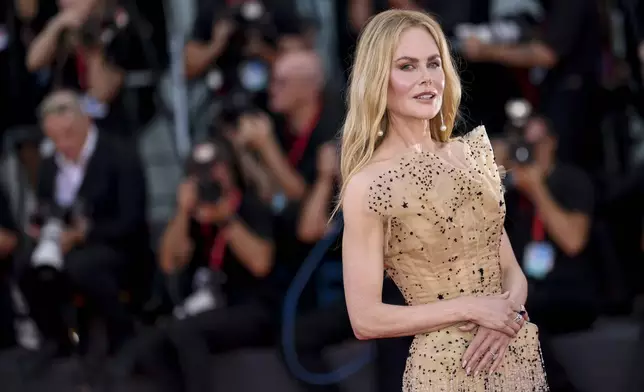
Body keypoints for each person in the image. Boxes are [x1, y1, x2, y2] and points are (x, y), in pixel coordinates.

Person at [338, 9, 548, 391]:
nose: (426, 78)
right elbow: (365, 319)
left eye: (433, 63)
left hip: (515, 354)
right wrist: (471, 309)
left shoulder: (472, 155)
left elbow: (511, 270)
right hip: (449, 370)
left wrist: (507, 318)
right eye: (406, 66)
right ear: (377, 80)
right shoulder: (368, 185)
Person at [17, 89, 146, 359]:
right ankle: (56, 339)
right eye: (54, 138)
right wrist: (42, 229)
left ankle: (121, 338)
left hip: (113, 244)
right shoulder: (50, 164)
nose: (62, 145)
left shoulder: (120, 155)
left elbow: (131, 220)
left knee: (83, 268)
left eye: (68, 135)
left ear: (85, 121)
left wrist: (82, 234)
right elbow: (44, 206)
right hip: (63, 244)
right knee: (25, 266)